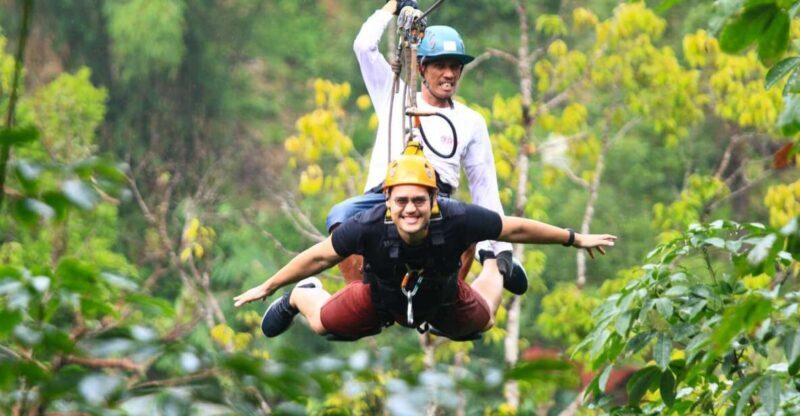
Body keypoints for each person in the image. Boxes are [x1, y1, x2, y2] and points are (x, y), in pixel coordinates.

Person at [235, 143, 617, 341]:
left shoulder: (457, 219)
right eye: (401, 201)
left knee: (484, 321)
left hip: (442, 296)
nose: (410, 209)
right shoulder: (367, 225)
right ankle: (301, 295)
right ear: (387, 202)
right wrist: (270, 286)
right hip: (379, 297)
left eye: (419, 200)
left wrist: (574, 238)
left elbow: (514, 228)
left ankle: (494, 264)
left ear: (434, 200)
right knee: (322, 325)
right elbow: (319, 255)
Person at [327, 0, 525, 294]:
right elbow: (364, 47)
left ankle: (455, 291)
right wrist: (391, 8)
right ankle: (361, 291)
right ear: (422, 68)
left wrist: (499, 247)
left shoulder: (470, 121)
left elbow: (485, 187)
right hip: (386, 196)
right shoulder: (394, 94)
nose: (449, 74)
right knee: (339, 217)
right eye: (440, 66)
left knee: (468, 223)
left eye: (455, 66)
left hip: (437, 200)